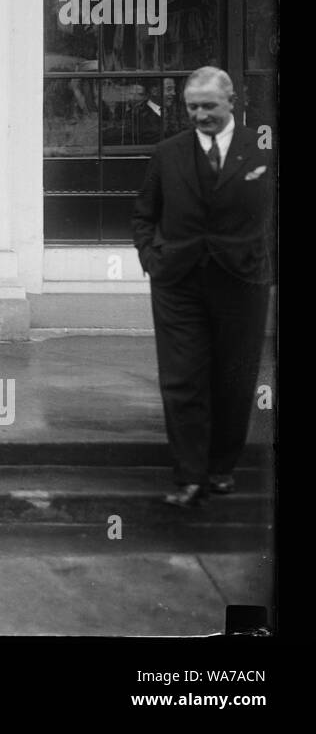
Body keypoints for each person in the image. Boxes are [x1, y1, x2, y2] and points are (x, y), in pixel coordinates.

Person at [132, 66, 274, 507]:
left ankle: (221, 468)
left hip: (242, 281)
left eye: (209, 106)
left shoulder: (263, 149)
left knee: (234, 376)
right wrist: (152, 260)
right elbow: (143, 215)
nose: (200, 115)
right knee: (182, 377)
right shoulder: (168, 152)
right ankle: (189, 475)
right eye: (192, 107)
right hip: (178, 282)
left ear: (232, 101)